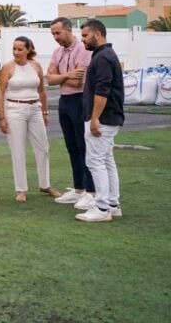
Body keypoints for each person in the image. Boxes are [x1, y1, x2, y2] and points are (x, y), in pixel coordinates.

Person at [0, 37, 60, 202]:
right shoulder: (8, 68)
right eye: (14, 49)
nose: (16, 52)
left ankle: (45, 184)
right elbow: (0, 93)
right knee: (18, 150)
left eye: (20, 49)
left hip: (35, 109)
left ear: (29, 49)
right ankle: (21, 189)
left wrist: (45, 112)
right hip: (14, 109)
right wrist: (2, 117)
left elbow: (42, 91)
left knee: (43, 147)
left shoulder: (36, 66)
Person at [76, 19, 125, 222]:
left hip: (103, 118)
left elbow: (102, 90)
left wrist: (95, 118)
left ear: (97, 34)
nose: (82, 39)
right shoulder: (104, 55)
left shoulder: (103, 58)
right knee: (106, 160)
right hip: (108, 117)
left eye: (85, 35)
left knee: (96, 161)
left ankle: (103, 207)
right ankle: (112, 204)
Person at [47, 17, 96, 209]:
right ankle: (78, 188)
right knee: (71, 146)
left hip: (80, 100)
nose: (55, 37)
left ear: (68, 30)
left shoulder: (82, 50)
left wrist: (59, 76)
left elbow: (78, 82)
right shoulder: (57, 52)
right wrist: (66, 75)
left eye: (58, 33)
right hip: (64, 101)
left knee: (83, 145)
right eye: (53, 34)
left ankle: (90, 191)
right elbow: (49, 79)